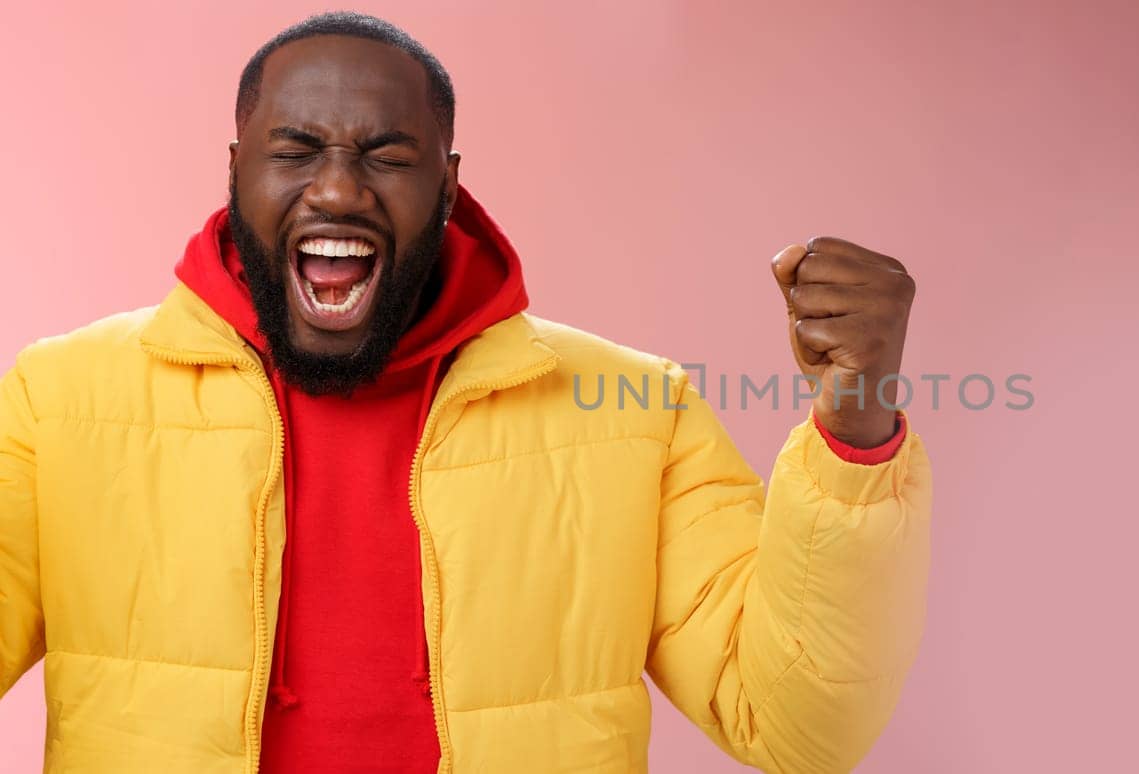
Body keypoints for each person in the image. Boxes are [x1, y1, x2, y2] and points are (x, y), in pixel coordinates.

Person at [0, 11, 931, 774]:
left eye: (386, 156)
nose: (336, 188)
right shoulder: (62, 399)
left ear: (447, 188)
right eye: (294, 150)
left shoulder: (637, 411)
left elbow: (798, 725)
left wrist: (856, 430)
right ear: (234, 170)